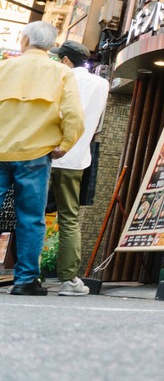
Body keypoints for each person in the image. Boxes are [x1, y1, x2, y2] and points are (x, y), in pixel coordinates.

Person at [0, 21, 85, 296]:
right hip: (36, 153)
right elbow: (73, 114)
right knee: (31, 218)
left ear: (24, 40)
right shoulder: (61, 72)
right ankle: (25, 281)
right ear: (51, 46)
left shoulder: (4, 68)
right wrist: (65, 144)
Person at [48, 40, 110, 297]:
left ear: (65, 60)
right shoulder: (102, 83)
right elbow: (97, 124)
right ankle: (69, 281)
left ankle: (26, 275)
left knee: (28, 214)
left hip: (44, 154)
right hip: (76, 159)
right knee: (69, 218)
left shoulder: (57, 79)